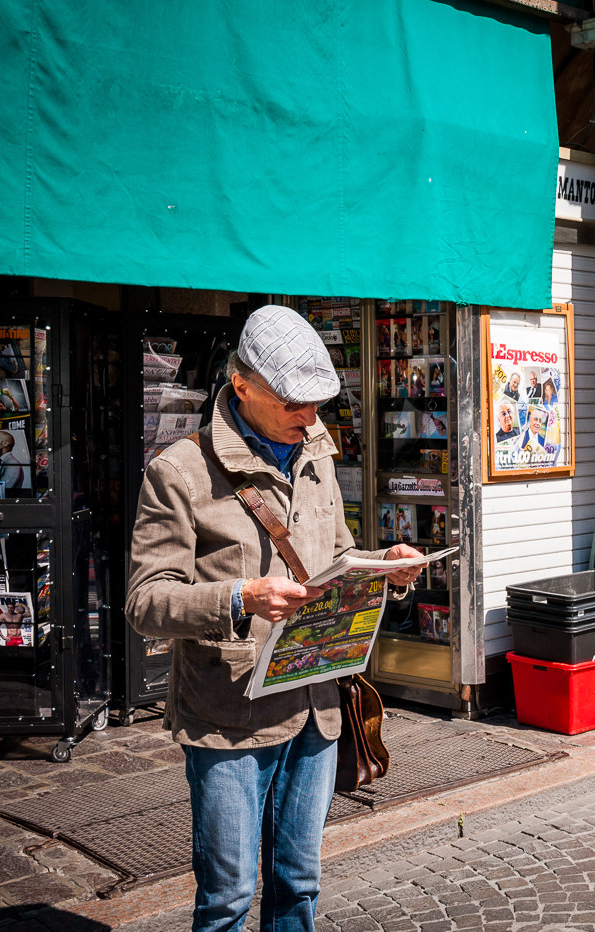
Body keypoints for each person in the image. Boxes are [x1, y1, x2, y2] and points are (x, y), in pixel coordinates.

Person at [126, 304, 423, 932]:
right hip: (230, 715)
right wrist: (241, 598)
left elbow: (334, 557)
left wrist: (384, 567)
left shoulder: (314, 447)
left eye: (317, 404)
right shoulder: (179, 471)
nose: (310, 418)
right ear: (242, 385)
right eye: (294, 403)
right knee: (228, 898)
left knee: (299, 882)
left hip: (315, 702)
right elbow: (146, 602)